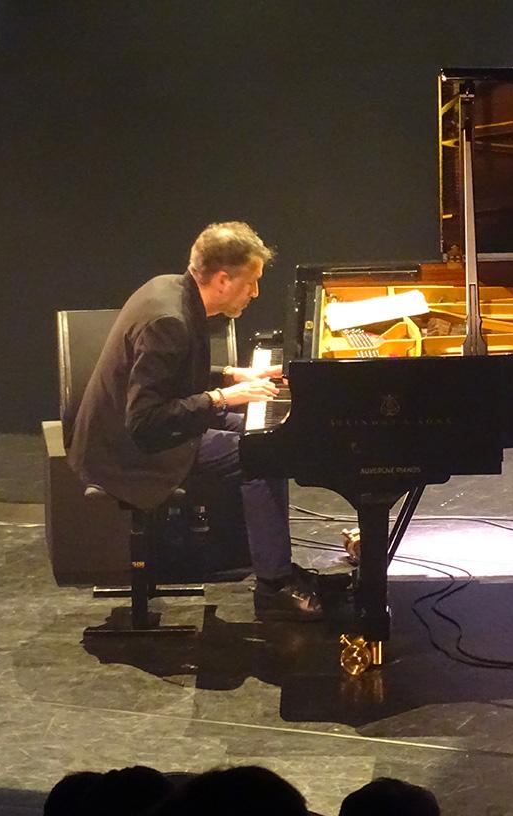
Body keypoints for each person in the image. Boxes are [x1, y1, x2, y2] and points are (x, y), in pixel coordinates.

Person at [67, 221, 322, 621]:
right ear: (222, 280)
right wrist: (222, 398)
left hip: (142, 432)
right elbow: (146, 421)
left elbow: (170, 376)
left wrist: (230, 376)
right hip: (130, 451)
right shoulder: (169, 320)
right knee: (261, 455)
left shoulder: (172, 288)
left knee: (266, 434)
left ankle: (271, 564)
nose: (256, 292)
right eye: (251, 281)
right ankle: (274, 585)